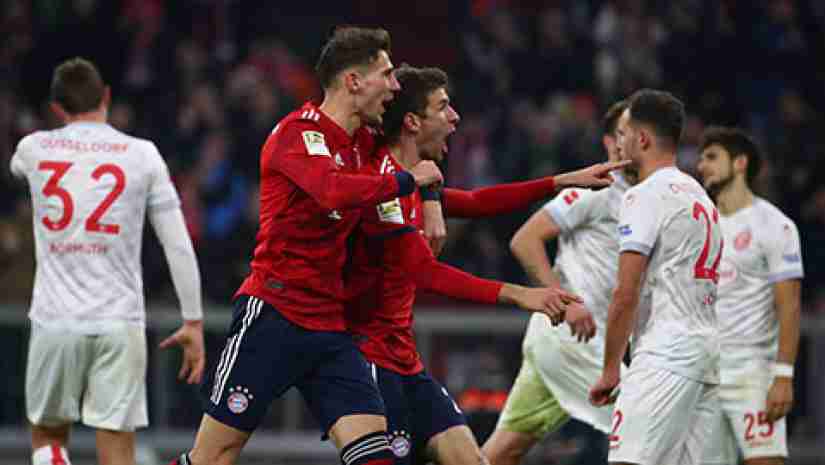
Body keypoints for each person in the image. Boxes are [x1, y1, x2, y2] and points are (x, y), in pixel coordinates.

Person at [169, 27, 444, 465]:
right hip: (274, 316)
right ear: (354, 81)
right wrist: (409, 182)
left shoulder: (364, 143)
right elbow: (332, 190)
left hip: (330, 328)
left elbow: (419, 148)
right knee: (213, 457)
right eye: (387, 74)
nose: (394, 86)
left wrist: (430, 199)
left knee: (375, 454)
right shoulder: (296, 133)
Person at [346, 65, 630, 465]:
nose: (454, 117)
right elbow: (426, 271)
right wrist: (522, 294)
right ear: (412, 122)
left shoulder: (414, 182)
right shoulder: (382, 186)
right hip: (369, 362)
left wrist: (563, 180)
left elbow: (477, 202)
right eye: (443, 107)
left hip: (404, 360)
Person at [10, 57, 205, 465]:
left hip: (55, 320)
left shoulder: (34, 148)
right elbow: (177, 244)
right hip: (120, 322)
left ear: (56, 108)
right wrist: (193, 321)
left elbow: (15, 168)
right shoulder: (143, 155)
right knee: (117, 445)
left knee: (47, 436)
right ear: (107, 97)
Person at [481, 100, 637, 465]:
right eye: (620, 133)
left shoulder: (645, 200)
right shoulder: (595, 190)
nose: (626, 142)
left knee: (502, 452)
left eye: (634, 133)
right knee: (645, 425)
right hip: (574, 340)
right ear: (608, 142)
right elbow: (525, 239)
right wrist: (563, 301)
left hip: (566, 342)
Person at [588, 89, 723, 465]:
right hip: (708, 358)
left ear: (642, 139)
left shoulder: (644, 195)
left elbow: (625, 292)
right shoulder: (699, 196)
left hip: (665, 354)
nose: (619, 144)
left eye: (624, 135)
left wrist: (611, 369)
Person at [696, 127, 803, 465]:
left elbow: (789, 306)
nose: (701, 165)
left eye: (711, 157)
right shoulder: (699, 225)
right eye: (701, 158)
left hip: (752, 373)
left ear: (740, 163)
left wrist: (783, 376)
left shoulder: (774, 225)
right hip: (703, 374)